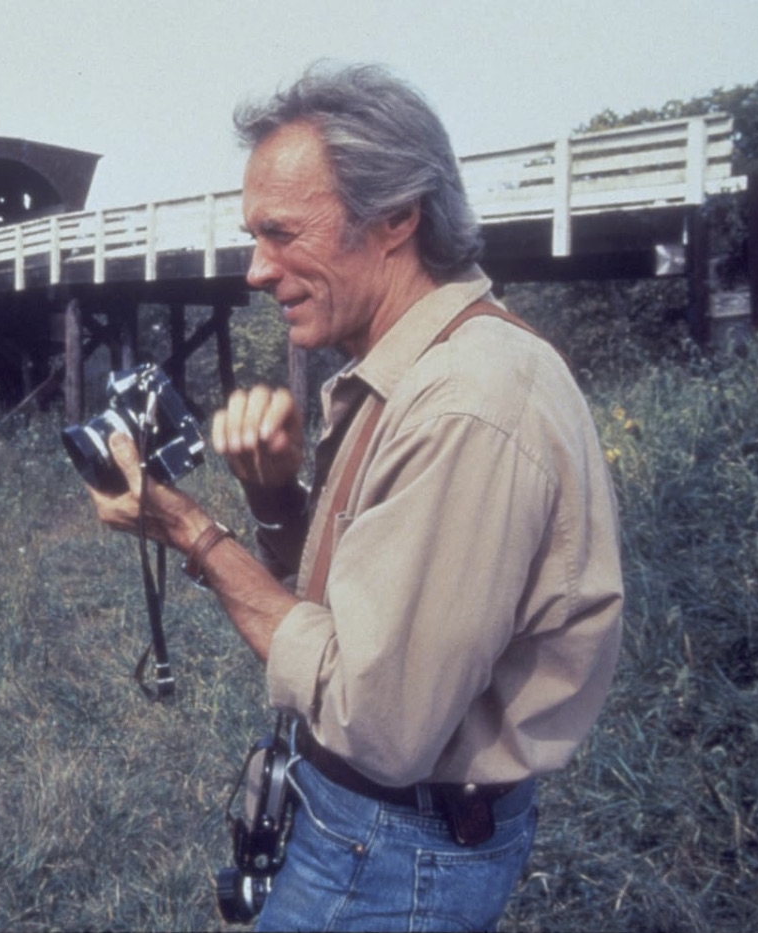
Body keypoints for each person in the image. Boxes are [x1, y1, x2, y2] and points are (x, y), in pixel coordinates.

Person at [85, 63, 623, 932]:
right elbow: (362, 607)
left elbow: (378, 722)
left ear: (396, 218)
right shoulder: (424, 365)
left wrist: (188, 527)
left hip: (393, 854)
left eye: (280, 233)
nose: (255, 271)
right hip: (371, 830)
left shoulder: (464, 406)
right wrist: (272, 497)